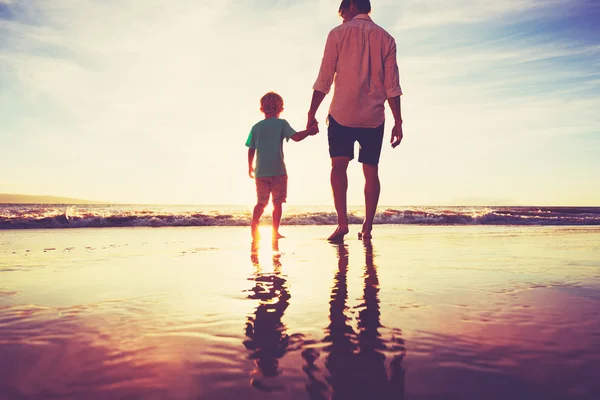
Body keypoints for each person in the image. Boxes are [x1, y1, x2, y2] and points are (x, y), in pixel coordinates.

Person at [306, 0, 405, 241]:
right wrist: (398, 121)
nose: (342, 18)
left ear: (351, 5)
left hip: (342, 113)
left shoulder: (337, 34)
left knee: (338, 167)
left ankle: (342, 225)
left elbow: (324, 78)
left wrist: (311, 114)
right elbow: (392, 86)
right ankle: (367, 227)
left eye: (343, 13)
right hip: (373, 116)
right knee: (371, 170)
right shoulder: (386, 38)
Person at [246, 91, 319, 239]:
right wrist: (309, 131)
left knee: (261, 202)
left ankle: (255, 222)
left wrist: (250, 166)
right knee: (277, 203)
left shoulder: (256, 127)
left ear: (262, 109)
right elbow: (297, 137)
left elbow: (251, 148)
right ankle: (275, 231)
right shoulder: (281, 124)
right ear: (281, 109)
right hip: (278, 171)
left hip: (261, 172)